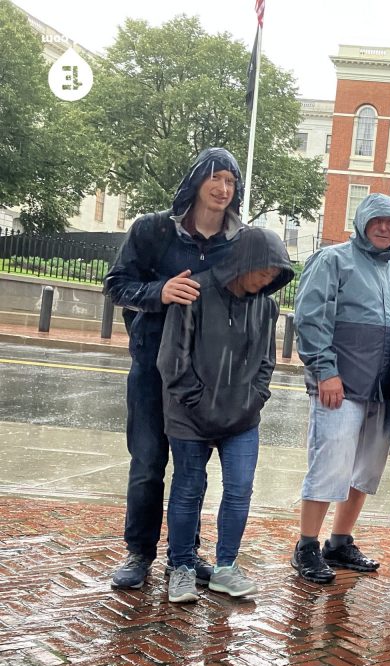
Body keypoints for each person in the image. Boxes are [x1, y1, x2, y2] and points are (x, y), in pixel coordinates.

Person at [104, 148, 245, 590]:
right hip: (152, 368)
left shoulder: (236, 242)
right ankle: (139, 553)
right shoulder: (153, 230)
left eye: (231, 182)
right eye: (216, 178)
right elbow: (116, 285)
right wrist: (159, 292)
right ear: (197, 180)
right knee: (147, 464)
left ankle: (184, 555)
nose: (223, 189)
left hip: (202, 377)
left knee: (192, 469)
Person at [157, 227, 293, 603]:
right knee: (188, 489)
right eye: (263, 271)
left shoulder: (266, 306)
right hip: (189, 415)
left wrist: (255, 399)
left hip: (242, 418)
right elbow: (172, 360)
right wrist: (198, 401)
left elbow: (267, 361)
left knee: (239, 490)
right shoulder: (194, 294)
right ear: (243, 261)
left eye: (274, 275)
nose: (268, 280)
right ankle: (181, 567)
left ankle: (225, 567)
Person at [291, 194, 390, 584]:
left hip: (383, 394)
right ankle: (307, 544)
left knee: (364, 472)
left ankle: (339, 541)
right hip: (340, 389)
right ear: (362, 222)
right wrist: (325, 372)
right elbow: (311, 318)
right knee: (329, 465)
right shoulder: (333, 260)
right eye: (377, 220)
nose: (384, 228)